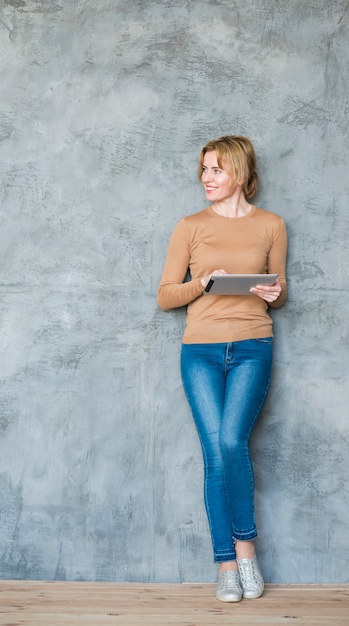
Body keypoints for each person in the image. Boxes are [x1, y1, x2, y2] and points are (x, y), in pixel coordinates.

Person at [157, 135, 287, 603]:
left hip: (253, 345)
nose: (206, 178)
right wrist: (201, 284)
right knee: (216, 454)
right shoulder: (189, 226)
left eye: (215, 169)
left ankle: (246, 548)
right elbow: (165, 294)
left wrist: (276, 292)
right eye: (204, 170)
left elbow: (281, 286)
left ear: (238, 172)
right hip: (201, 351)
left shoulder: (272, 225)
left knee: (232, 442)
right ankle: (227, 564)